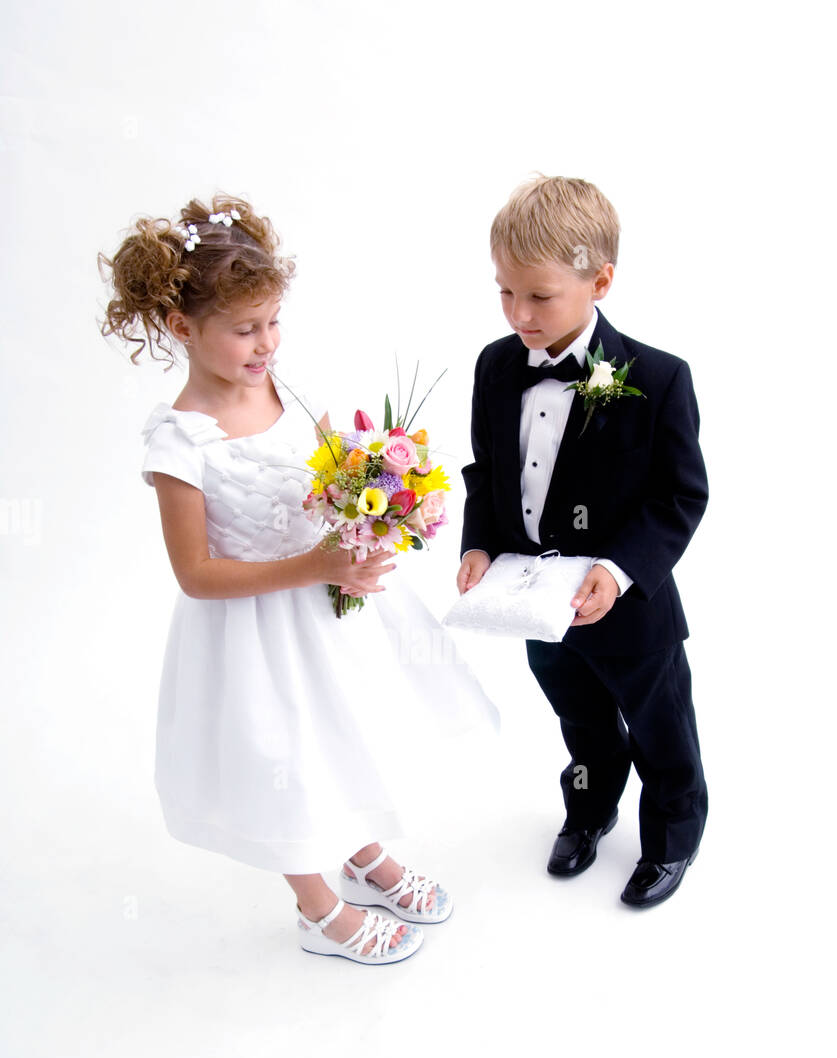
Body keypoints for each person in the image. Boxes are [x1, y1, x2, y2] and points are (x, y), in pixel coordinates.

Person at [99, 194, 496, 963]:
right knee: (284, 758)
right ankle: (317, 909)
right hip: (254, 627)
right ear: (184, 329)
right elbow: (196, 574)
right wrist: (315, 563)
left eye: (273, 321)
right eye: (245, 330)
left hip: (330, 604)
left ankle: (360, 849)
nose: (266, 343)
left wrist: (371, 501)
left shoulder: (287, 386)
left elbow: (326, 473)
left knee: (345, 731)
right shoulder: (181, 440)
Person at [457, 176, 708, 908]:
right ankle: (589, 809)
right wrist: (480, 545)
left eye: (539, 296)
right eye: (505, 293)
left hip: (627, 609)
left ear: (598, 280)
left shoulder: (657, 379)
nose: (519, 314)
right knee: (580, 721)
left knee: (660, 725)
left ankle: (670, 836)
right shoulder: (495, 366)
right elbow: (484, 469)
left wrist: (618, 569)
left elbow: (679, 497)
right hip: (534, 603)